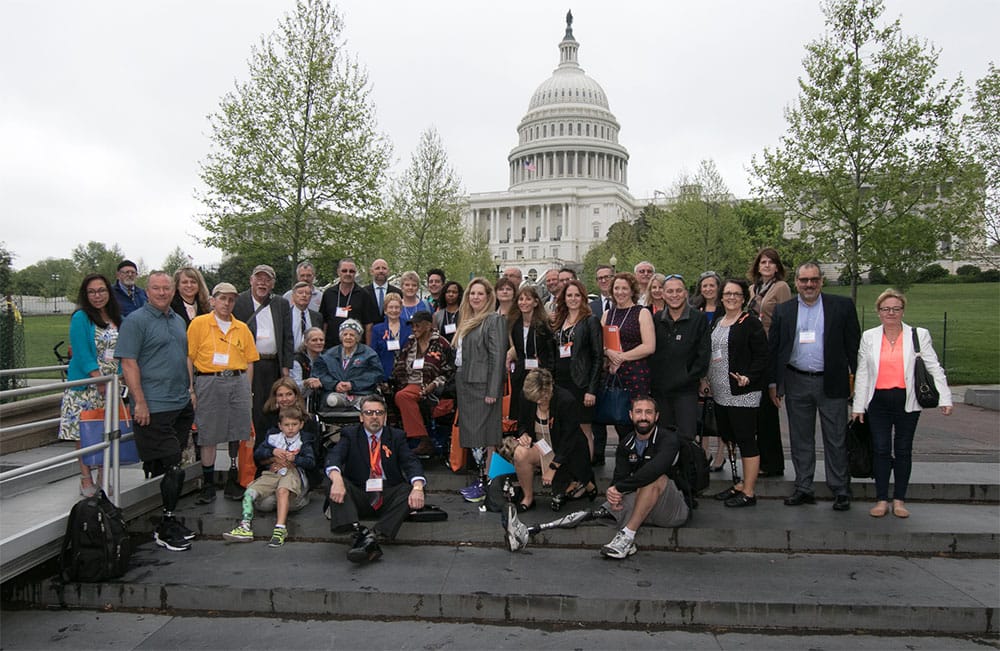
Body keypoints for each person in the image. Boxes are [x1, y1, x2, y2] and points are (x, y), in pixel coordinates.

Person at [851, 289, 953, 519]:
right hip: (878, 401)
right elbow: (864, 372)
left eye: (896, 309)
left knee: (903, 449)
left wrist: (945, 397)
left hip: (907, 400)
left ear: (903, 311)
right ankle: (881, 499)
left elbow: (934, 367)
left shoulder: (918, 335)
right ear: (879, 312)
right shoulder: (869, 336)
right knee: (881, 449)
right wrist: (858, 406)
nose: (891, 313)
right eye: (886, 309)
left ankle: (899, 499)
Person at [769, 262, 860, 511]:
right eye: (803, 280)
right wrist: (774, 383)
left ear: (821, 281)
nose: (809, 285)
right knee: (800, 439)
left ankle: (840, 489)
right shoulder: (784, 311)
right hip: (796, 380)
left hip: (832, 381)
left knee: (836, 437)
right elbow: (775, 350)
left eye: (814, 280)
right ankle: (804, 487)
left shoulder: (841, 307)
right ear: (796, 282)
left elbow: (854, 347)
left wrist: (859, 385)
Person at [115, 271, 196, 552]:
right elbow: (128, 363)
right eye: (156, 288)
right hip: (154, 406)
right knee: (173, 464)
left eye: (166, 288)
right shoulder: (135, 322)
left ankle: (168, 517)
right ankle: (165, 525)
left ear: (172, 291)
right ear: (146, 291)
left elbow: (184, 356)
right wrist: (139, 402)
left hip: (180, 403)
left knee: (171, 466)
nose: (162, 293)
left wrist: (190, 391)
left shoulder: (176, 320)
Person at [325, 394, 426, 564]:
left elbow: (411, 463)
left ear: (385, 417)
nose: (374, 417)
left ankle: (372, 535)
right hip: (360, 492)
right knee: (333, 479)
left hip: (387, 493)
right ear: (361, 416)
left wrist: (418, 488)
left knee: (412, 488)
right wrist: (337, 480)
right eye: (369, 412)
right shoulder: (350, 434)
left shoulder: (396, 436)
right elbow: (334, 457)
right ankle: (355, 529)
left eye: (378, 413)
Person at [187, 282, 259, 504]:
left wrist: (247, 390)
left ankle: (233, 477)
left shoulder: (242, 328)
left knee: (237, 430)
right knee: (208, 432)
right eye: (222, 298)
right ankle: (208, 483)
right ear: (212, 300)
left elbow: (249, 362)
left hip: (237, 381)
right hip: (209, 380)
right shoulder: (199, 324)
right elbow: (189, 357)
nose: (227, 303)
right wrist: (191, 389)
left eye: (231, 299)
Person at [705, 280, 769, 508]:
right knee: (729, 436)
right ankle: (739, 483)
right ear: (721, 297)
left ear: (743, 298)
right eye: (727, 293)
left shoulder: (750, 322)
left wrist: (749, 377)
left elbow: (762, 356)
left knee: (746, 440)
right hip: (721, 392)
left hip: (743, 392)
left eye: (736, 294)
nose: (731, 297)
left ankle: (749, 491)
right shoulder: (718, 323)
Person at [58, 273, 123, 497]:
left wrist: (119, 378)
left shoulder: (116, 317)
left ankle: (104, 476)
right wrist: (98, 379)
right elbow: (82, 353)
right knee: (84, 433)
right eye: (92, 292)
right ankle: (86, 477)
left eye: (102, 290)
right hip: (87, 386)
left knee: (106, 432)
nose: (97, 296)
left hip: (111, 386)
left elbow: (121, 352)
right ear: (86, 295)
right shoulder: (81, 318)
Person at [601, 396, 689, 559]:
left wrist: (620, 488)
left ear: (656, 416)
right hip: (646, 501)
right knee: (609, 503)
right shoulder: (625, 444)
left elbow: (655, 469)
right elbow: (619, 478)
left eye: (648, 412)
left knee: (655, 478)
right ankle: (629, 540)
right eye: (638, 412)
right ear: (630, 415)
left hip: (673, 509)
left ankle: (627, 537)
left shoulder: (669, 439)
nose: (643, 417)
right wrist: (614, 494)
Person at [223, 405, 316, 547]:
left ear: (301, 424)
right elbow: (258, 454)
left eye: (294, 424)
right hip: (272, 473)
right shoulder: (273, 438)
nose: (290, 428)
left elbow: (311, 462)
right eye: (286, 425)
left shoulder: (304, 441)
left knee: (282, 491)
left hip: (292, 472)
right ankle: (245, 525)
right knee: (249, 492)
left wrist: (295, 459)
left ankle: (280, 529)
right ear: (280, 426)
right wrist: (273, 452)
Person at [510, 369, 596, 512]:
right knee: (519, 453)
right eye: (535, 399)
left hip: (567, 450)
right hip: (540, 445)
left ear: (550, 388)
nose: (538, 401)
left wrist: (552, 468)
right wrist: (524, 434)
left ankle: (585, 483)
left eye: (542, 397)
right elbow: (522, 423)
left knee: (569, 483)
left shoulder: (566, 400)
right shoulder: (526, 396)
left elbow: (569, 440)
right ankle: (528, 497)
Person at [453, 277, 507, 502]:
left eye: (480, 294)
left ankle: (489, 483)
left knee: (487, 437)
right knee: (475, 437)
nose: (475, 297)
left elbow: (497, 357)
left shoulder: (494, 320)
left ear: (488, 297)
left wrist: (493, 390)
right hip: (465, 384)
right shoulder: (467, 318)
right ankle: (482, 480)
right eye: (472, 293)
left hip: (484, 387)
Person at [233, 264, 293, 449]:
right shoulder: (239, 302)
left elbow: (287, 337)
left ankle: (273, 450)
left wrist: (285, 368)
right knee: (253, 408)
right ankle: (253, 453)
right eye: (259, 279)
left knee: (275, 408)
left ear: (273, 284)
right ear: (251, 280)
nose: (262, 283)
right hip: (250, 365)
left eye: (267, 280)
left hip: (274, 363)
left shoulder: (281, 303)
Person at [747, 248, 793, 478]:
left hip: (769, 351)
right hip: (752, 353)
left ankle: (773, 463)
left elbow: (786, 321)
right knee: (754, 411)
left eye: (771, 262)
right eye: (763, 262)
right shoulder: (753, 289)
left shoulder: (781, 288)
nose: (766, 265)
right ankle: (760, 459)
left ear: (777, 267)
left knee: (767, 409)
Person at [649, 274, 710, 442]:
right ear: (663, 294)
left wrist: (689, 377)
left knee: (686, 438)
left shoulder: (699, 319)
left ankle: (687, 469)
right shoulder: (655, 319)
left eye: (678, 291)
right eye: (670, 291)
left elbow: (704, 355)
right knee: (662, 438)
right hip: (660, 391)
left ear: (685, 293)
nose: (674, 295)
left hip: (686, 391)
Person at [391, 311, 455, 457]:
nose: (414, 329)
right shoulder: (410, 342)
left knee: (402, 396)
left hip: (432, 384)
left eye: (418, 325)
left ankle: (423, 440)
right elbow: (399, 366)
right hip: (409, 383)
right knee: (400, 395)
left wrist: (434, 384)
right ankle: (422, 439)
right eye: (412, 326)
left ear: (428, 325)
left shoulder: (441, 343)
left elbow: (449, 371)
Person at [551, 279, 602, 458]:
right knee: (564, 428)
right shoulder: (558, 321)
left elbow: (597, 357)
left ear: (583, 298)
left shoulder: (590, 321)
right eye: (569, 295)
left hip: (581, 384)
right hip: (560, 383)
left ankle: (585, 476)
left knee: (583, 429)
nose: (573, 299)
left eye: (576, 295)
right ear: (563, 298)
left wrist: (591, 390)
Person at [601, 272, 655, 406]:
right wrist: (608, 352)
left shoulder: (642, 313)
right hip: (613, 373)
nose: (620, 292)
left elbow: (649, 346)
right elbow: (599, 342)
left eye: (624, 288)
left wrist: (621, 357)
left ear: (632, 291)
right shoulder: (607, 314)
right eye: (616, 288)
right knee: (618, 418)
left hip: (636, 374)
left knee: (638, 416)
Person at [507, 285, 557, 419]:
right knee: (520, 409)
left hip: (539, 373)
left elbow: (551, 352)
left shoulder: (543, 325)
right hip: (520, 372)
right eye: (521, 299)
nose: (523, 302)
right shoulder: (515, 325)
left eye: (528, 299)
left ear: (535, 302)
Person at [312, 319, 383, 409]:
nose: (348, 337)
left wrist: (352, 385)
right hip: (337, 394)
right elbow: (319, 374)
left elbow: (377, 374)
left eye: (352, 335)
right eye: (345, 334)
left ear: (358, 338)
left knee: (369, 404)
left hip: (362, 394)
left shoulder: (369, 354)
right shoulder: (329, 354)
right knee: (331, 400)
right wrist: (335, 384)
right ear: (341, 337)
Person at [319, 258, 379, 346]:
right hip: (331, 346)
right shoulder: (328, 294)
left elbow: (368, 325)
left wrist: (368, 349)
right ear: (338, 272)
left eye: (351, 271)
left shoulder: (364, 294)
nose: (348, 274)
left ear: (355, 273)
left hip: (356, 347)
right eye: (344, 271)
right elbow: (324, 322)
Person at [588, 264, 615, 465]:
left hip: (622, 365)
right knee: (597, 415)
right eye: (600, 278)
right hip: (598, 366)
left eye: (607, 277)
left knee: (621, 411)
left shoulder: (626, 304)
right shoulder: (592, 307)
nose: (604, 280)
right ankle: (598, 454)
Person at [370, 292, 409, 380]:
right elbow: (374, 354)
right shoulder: (377, 329)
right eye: (390, 307)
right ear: (385, 310)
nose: (394, 310)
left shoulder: (409, 326)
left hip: (406, 374)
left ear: (401, 309)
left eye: (397, 307)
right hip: (384, 373)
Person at [289, 281, 324, 353]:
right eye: (300, 293)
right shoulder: (285, 315)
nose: (304, 295)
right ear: (293, 296)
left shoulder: (317, 317)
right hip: (291, 357)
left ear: (311, 297)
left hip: (311, 357)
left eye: (307, 293)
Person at [292, 327, 326, 395]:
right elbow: (294, 386)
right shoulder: (297, 360)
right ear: (306, 342)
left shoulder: (329, 357)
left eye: (321, 340)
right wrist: (305, 382)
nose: (319, 342)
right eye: (314, 340)